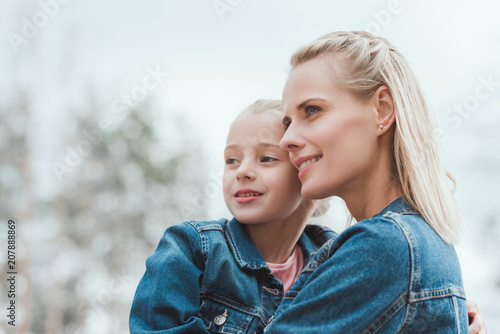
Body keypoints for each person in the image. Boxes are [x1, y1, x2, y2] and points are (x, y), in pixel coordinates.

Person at [264, 31, 486, 333]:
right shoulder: (417, 243)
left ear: (382, 109)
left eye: (312, 111)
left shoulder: (385, 246)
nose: (286, 140)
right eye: (288, 123)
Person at [129, 100, 336, 333]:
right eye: (232, 160)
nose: (242, 171)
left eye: (267, 158)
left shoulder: (336, 262)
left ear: (308, 170)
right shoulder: (191, 248)